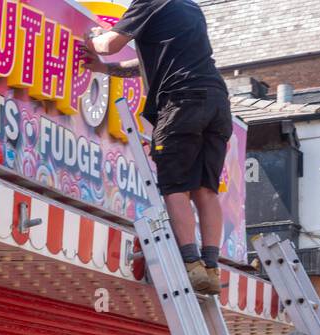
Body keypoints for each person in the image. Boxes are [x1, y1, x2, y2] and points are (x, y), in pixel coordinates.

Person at [81, 0, 232, 296]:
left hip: (181, 101)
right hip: (216, 100)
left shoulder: (150, 1)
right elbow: (145, 64)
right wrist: (107, 70)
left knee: (175, 185)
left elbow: (109, 44)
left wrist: (92, 35)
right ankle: (211, 268)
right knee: (206, 189)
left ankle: (190, 262)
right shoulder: (189, 7)